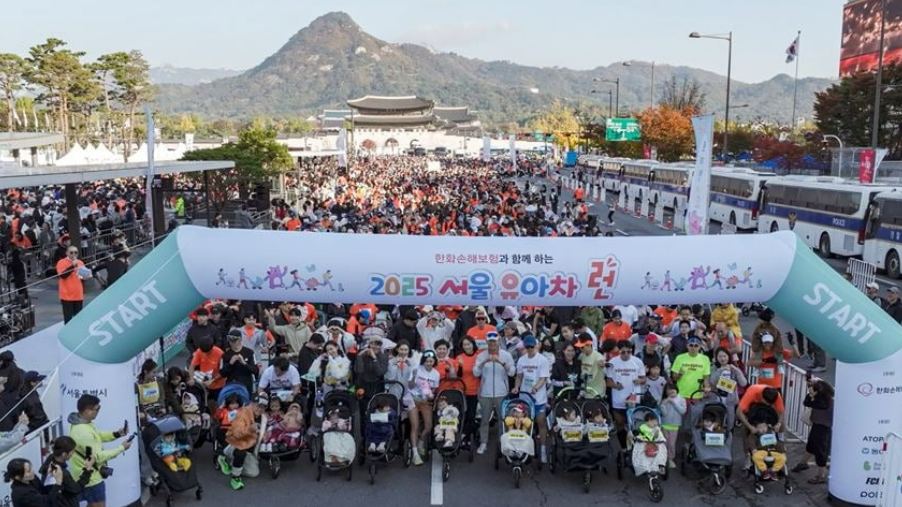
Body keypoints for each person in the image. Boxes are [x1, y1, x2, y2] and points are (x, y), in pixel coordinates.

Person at [67, 394, 132, 507]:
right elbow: (97, 457)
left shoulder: (81, 424)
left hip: (85, 475)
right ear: (87, 411)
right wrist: (122, 448)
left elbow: (97, 436)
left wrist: (117, 434)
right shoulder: (83, 432)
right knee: (99, 505)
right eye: (97, 409)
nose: (98, 411)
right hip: (91, 479)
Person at [473, 332, 516, 455]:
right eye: (490, 341)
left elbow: (512, 372)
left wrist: (501, 362)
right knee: (484, 419)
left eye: (494, 341)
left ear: (498, 341)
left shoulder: (506, 355)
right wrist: (484, 362)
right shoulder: (481, 355)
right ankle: (483, 442)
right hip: (485, 393)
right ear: (487, 342)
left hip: (501, 392)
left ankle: (504, 442)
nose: (492, 344)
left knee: (503, 419)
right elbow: (475, 373)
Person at [512, 335, 550, 463]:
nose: (529, 349)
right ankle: (522, 446)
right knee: (523, 421)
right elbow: (519, 376)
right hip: (524, 397)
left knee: (541, 421)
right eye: (527, 347)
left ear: (536, 346)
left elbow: (543, 378)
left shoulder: (542, 360)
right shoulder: (522, 360)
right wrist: (516, 387)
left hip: (538, 397)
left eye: (531, 347)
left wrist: (536, 388)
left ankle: (543, 448)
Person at [218, 394, 265, 490]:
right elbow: (237, 434)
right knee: (240, 453)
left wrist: (265, 435)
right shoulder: (242, 413)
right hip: (233, 443)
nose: (260, 409)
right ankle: (235, 478)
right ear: (252, 403)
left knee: (254, 472)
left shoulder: (263, 417)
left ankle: (229, 461)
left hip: (247, 445)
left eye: (263, 407)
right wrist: (250, 429)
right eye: (258, 405)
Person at [793, 379, 834, 485]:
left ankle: (821, 475)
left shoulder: (823, 402)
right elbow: (807, 402)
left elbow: (807, 403)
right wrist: (812, 392)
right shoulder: (826, 399)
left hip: (823, 428)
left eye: (813, 390)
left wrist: (811, 394)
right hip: (819, 425)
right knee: (811, 445)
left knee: (820, 451)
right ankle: (803, 463)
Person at [607, 340, 646, 444]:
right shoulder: (612, 362)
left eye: (629, 352)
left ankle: (634, 447)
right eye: (623, 352)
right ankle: (622, 447)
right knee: (619, 423)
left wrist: (639, 381)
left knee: (633, 424)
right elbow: (608, 382)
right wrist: (616, 386)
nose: (626, 354)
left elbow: (644, 379)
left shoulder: (638, 361)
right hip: (618, 399)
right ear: (619, 351)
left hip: (633, 398)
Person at [40, 436, 95, 507]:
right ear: (64, 454)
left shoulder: (50, 461)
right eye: (72, 452)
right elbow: (76, 489)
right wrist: (87, 470)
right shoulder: (62, 473)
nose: (73, 454)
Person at [409, 350, 440, 465]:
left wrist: (428, 396)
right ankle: (415, 453)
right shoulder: (416, 368)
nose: (429, 363)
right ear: (423, 361)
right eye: (427, 361)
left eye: (431, 361)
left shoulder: (436, 374)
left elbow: (433, 389)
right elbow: (410, 386)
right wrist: (414, 376)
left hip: (424, 400)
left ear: (434, 362)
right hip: (412, 399)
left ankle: (421, 441)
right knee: (415, 426)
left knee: (428, 426)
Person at [737, 385, 785, 455]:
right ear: (762, 397)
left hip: (767, 414)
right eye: (767, 403)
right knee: (744, 429)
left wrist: (778, 424)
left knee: (781, 422)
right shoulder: (752, 392)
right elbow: (738, 412)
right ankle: (747, 452)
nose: (768, 404)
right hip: (751, 410)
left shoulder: (776, 395)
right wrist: (750, 427)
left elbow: (782, 411)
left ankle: (781, 441)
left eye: (770, 404)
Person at [709, 348, 747, 428]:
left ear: (728, 357)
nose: (722, 359)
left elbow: (743, 383)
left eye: (724, 356)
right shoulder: (714, 368)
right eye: (720, 356)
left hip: (730, 399)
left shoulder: (734, 368)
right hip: (717, 398)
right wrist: (720, 370)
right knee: (717, 421)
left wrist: (737, 370)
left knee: (730, 422)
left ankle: (729, 434)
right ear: (716, 358)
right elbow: (712, 382)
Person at [187, 336, 226, 415]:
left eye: (208, 352)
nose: (205, 354)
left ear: (212, 348)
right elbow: (192, 366)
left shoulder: (220, 353)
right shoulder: (199, 351)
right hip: (204, 384)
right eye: (203, 352)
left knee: (220, 404)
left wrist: (212, 380)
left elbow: (223, 372)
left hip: (218, 384)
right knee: (207, 404)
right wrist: (191, 379)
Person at [455, 336, 481, 445]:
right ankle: (466, 437)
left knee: (471, 415)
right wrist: (460, 365)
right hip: (461, 391)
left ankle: (464, 435)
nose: (467, 347)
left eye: (469, 344)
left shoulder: (478, 357)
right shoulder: (459, 357)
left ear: (473, 345)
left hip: (474, 391)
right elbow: (458, 375)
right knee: (463, 416)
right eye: (465, 345)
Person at [670, 336, 711, 400]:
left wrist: (707, 387)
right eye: (691, 345)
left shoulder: (705, 359)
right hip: (681, 394)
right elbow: (674, 378)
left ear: (700, 346)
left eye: (696, 345)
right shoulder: (679, 358)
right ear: (687, 346)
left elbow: (706, 377)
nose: (693, 347)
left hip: (697, 394)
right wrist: (679, 375)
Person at [219, 330, 257, 395]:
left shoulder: (249, 352)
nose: (232, 343)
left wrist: (244, 363)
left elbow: (255, 370)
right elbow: (222, 373)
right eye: (230, 341)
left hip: (246, 384)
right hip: (231, 384)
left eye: (234, 341)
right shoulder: (225, 355)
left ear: (240, 340)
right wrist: (230, 363)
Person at [354, 335, 389, 407]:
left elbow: (380, 372)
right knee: (363, 407)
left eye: (378, 344)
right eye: (373, 344)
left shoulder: (383, 356)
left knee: (375, 407)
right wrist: (359, 357)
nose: (376, 346)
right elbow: (359, 371)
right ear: (369, 344)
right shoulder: (362, 355)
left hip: (377, 385)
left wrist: (374, 359)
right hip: (363, 384)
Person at [55, 245, 86, 323]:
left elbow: (83, 277)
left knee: (79, 318)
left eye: (76, 252)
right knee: (68, 319)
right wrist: (72, 267)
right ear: (67, 253)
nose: (74, 254)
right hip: (67, 295)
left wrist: (86, 276)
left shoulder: (80, 262)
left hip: (78, 294)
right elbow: (63, 275)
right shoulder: (61, 262)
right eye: (71, 252)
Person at [659, 384, 685, 469]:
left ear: (676, 390)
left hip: (675, 426)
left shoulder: (681, 399)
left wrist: (673, 403)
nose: (671, 391)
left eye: (672, 389)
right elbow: (664, 414)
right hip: (665, 424)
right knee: (664, 443)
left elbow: (682, 411)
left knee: (671, 444)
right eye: (668, 390)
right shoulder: (664, 399)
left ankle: (670, 459)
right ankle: (662, 459)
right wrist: (663, 405)